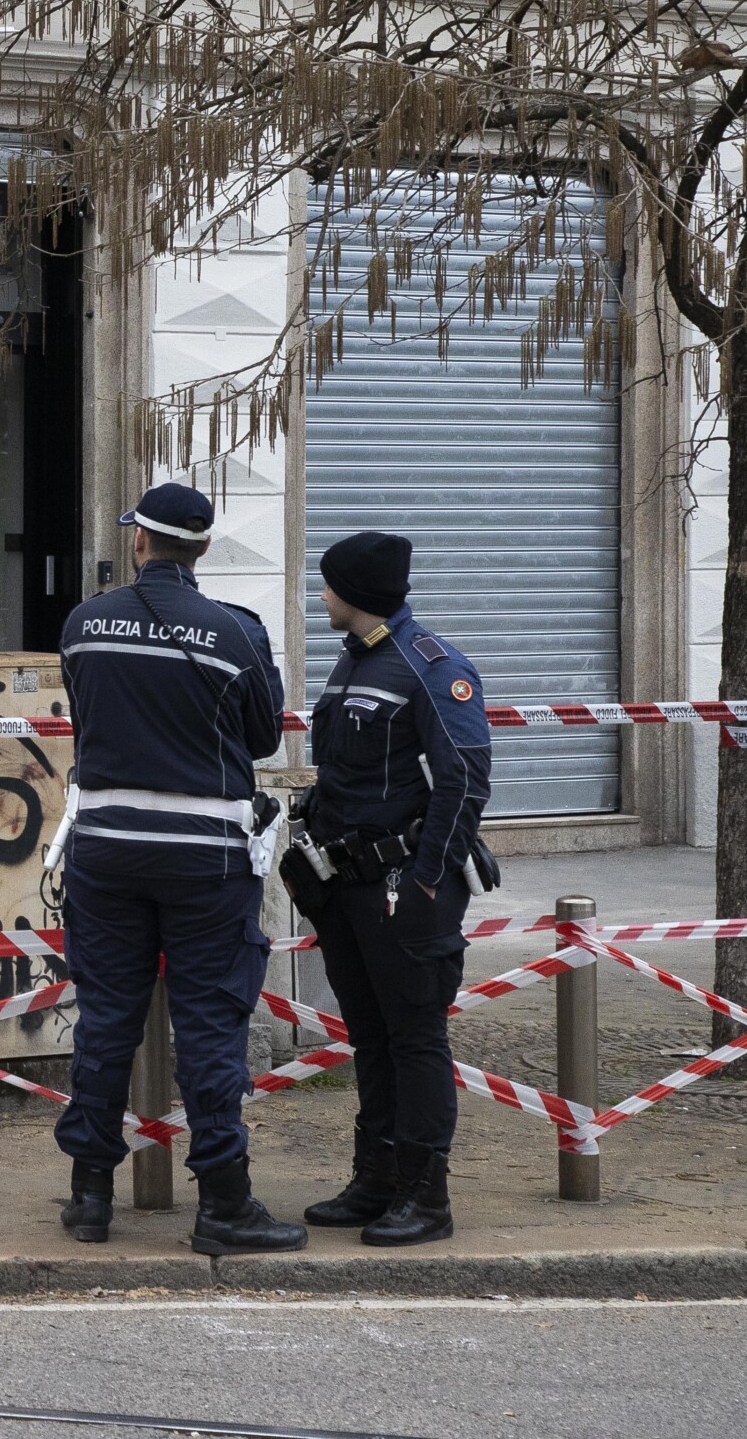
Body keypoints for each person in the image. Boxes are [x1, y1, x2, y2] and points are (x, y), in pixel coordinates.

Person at [51, 482, 305, 1255]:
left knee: (106, 1020)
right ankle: (224, 1203)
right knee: (209, 1024)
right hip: (207, 859)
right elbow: (263, 739)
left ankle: (90, 1194)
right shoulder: (236, 633)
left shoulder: (83, 624)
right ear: (201, 548)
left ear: (139, 542)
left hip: (104, 849)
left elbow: (86, 713)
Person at [283, 530, 491, 1247]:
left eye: (329, 585)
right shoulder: (355, 660)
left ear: (357, 594)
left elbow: (464, 781)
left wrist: (428, 880)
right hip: (347, 888)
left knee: (416, 1039)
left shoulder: (430, 666)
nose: (322, 596)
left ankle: (425, 1196)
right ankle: (376, 1178)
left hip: (403, 890)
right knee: (370, 1037)